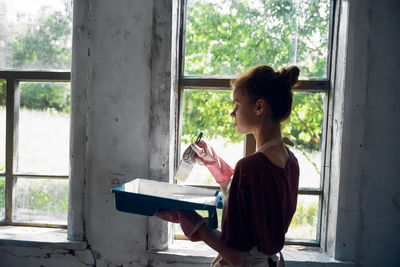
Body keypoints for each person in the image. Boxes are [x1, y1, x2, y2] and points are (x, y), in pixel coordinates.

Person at [156, 65, 300, 267]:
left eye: (237, 105)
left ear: (259, 107)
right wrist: (215, 164)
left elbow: (235, 255)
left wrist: (189, 218)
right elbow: (251, 207)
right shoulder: (291, 161)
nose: (232, 113)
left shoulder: (250, 167)